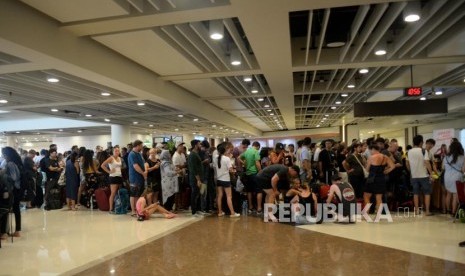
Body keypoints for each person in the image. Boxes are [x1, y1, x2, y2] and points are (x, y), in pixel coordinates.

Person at [406, 135, 433, 216]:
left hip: (414, 175)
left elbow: (407, 163)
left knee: (416, 193)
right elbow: (427, 162)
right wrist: (431, 173)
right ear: (421, 142)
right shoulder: (424, 151)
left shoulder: (409, 151)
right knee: (427, 193)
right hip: (424, 175)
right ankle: (427, 211)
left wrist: (411, 171)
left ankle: (417, 210)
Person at [364, 144, 395, 214]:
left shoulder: (371, 157)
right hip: (381, 179)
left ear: (373, 149)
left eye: (370, 150)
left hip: (371, 179)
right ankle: (378, 216)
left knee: (366, 196)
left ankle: (366, 214)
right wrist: (386, 171)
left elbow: (367, 169)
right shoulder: (385, 157)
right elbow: (393, 166)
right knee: (379, 198)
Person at [0, 147, 23, 238]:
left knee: (7, 209)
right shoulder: (16, 162)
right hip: (15, 189)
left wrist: (4, 174)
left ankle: (6, 232)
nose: (3, 155)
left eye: (3, 154)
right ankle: (16, 231)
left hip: (12, 190)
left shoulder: (10, 163)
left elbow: (13, 178)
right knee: (15, 209)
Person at [215, 143, 240, 218]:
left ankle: (219, 212)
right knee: (229, 196)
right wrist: (233, 169)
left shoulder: (216, 157)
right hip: (226, 179)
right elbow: (231, 171)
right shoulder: (227, 159)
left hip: (219, 179)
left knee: (219, 196)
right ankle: (232, 213)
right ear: (225, 150)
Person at [442, 141, 465, 217]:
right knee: (455, 195)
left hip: (447, 177)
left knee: (448, 194)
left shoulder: (446, 157)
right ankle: (453, 212)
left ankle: (448, 210)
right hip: (457, 177)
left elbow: (443, 168)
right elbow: (463, 170)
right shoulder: (462, 157)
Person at [240, 141, 262, 214]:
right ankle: (259, 208)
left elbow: (238, 158)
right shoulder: (255, 151)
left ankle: (250, 207)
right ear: (258, 146)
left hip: (248, 173)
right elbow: (257, 163)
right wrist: (260, 172)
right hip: (255, 173)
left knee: (249, 191)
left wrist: (245, 164)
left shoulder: (247, 151)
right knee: (259, 191)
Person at [100, 146, 123, 214]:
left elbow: (119, 167)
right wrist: (109, 171)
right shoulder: (111, 158)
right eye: (115, 151)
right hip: (113, 176)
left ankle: (117, 206)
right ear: (113, 152)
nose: (117, 152)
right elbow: (102, 165)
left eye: (118, 151)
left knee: (118, 192)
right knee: (113, 193)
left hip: (119, 176)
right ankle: (111, 208)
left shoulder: (119, 158)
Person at [128, 140, 147, 217]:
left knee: (139, 194)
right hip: (134, 177)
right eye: (141, 146)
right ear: (137, 146)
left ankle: (137, 209)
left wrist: (144, 172)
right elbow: (135, 166)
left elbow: (143, 163)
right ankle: (133, 211)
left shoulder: (139, 154)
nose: (142, 147)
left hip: (140, 177)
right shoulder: (132, 154)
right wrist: (143, 173)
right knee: (134, 194)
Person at [188, 139, 205, 216]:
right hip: (195, 178)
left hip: (199, 178)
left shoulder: (196, 154)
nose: (200, 146)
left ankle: (198, 209)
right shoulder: (192, 155)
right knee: (194, 194)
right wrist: (198, 179)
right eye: (199, 144)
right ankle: (194, 211)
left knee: (198, 193)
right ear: (195, 145)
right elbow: (193, 169)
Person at [172, 141, 187, 211]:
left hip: (183, 175)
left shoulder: (183, 155)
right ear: (177, 147)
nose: (182, 147)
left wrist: (182, 166)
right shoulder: (175, 156)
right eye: (180, 146)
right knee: (177, 192)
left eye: (182, 146)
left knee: (183, 191)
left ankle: (182, 205)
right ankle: (176, 206)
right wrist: (182, 166)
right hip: (177, 176)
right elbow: (177, 166)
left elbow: (184, 164)